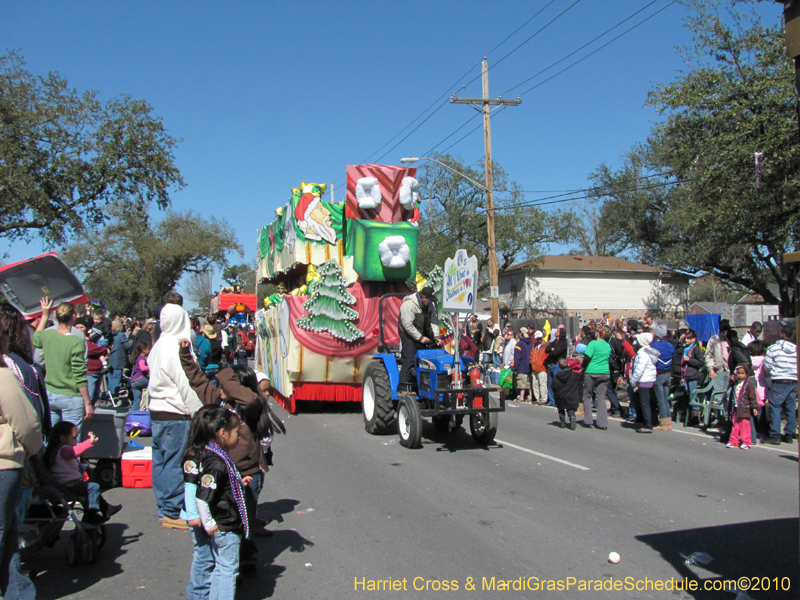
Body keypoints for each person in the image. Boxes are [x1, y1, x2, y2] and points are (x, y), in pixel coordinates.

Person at [148, 303, 203, 529]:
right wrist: (199, 413)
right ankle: (171, 511)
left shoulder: (158, 345)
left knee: (161, 461)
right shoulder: (176, 348)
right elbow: (186, 384)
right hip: (175, 412)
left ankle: (164, 506)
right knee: (174, 462)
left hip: (157, 410)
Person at [0, 349, 43, 600]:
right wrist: (31, 451)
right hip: (4, 466)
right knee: (5, 534)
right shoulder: (4, 378)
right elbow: (28, 425)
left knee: (7, 537)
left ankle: (18, 593)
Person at [195, 407, 250, 600]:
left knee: (221, 568)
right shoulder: (216, 463)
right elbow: (203, 496)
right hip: (226, 526)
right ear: (223, 434)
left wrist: (237, 482)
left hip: (224, 525)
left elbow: (221, 486)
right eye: (236, 432)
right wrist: (208, 523)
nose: (238, 436)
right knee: (229, 571)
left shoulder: (218, 456)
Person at [33, 299, 93, 433]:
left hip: (50, 393)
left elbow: (36, 339)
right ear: (73, 316)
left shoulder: (47, 335)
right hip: (70, 395)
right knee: (71, 442)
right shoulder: (75, 341)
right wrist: (87, 402)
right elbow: (79, 374)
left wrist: (44, 315)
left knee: (52, 439)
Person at [43, 421, 121, 523]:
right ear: (63, 439)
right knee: (94, 487)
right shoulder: (64, 449)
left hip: (67, 484)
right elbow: (74, 452)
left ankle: (106, 509)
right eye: (74, 438)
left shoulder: (56, 449)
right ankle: (91, 513)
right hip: (68, 486)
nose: (76, 441)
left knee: (90, 487)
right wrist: (89, 442)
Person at [763, 323, 797, 445]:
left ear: (782, 334)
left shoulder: (774, 348)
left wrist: (773, 371)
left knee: (775, 407)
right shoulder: (795, 349)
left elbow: (767, 366)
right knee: (790, 407)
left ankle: (775, 434)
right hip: (793, 380)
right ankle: (789, 434)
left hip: (779, 380)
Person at [398, 287, 438, 387]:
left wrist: (437, 337)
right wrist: (420, 338)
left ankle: (428, 385)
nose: (430, 302)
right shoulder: (409, 304)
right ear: (423, 297)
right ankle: (402, 387)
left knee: (432, 355)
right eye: (429, 299)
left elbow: (434, 321)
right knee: (410, 359)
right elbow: (407, 325)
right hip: (408, 336)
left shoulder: (430, 305)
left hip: (423, 334)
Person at [580, 328, 613, 430]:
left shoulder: (593, 344)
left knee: (587, 395)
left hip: (592, 371)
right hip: (604, 372)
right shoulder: (608, 345)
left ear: (599, 333)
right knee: (601, 397)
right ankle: (602, 422)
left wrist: (583, 367)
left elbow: (587, 357)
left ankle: (588, 420)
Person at [629, 332, 660, 434]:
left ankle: (647, 425)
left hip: (644, 381)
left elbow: (639, 370)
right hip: (651, 380)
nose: (636, 342)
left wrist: (633, 381)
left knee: (644, 404)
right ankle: (652, 421)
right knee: (649, 403)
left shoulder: (642, 354)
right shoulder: (650, 352)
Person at [726, 364, 758, 449]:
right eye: (739, 373)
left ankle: (746, 442)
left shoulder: (749, 384)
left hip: (745, 408)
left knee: (745, 426)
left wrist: (754, 407)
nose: (740, 375)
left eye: (742, 373)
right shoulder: (736, 383)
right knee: (735, 425)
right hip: (736, 408)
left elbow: (752, 397)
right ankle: (733, 441)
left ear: (746, 374)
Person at [651, 324, 675, 431]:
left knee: (660, 400)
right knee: (665, 400)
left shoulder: (654, 345)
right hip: (668, 374)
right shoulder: (670, 345)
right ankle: (668, 423)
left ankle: (662, 423)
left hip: (659, 373)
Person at [552, 358, 581, 430]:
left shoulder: (557, 376)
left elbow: (553, 386)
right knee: (570, 408)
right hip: (572, 394)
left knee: (561, 409)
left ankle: (562, 422)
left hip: (561, 395)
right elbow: (581, 379)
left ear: (559, 366)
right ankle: (572, 417)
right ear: (568, 365)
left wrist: (556, 392)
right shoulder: (574, 375)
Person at [107, 319, 132, 397]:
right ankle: (113, 394)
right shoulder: (121, 335)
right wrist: (131, 343)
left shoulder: (109, 335)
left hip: (109, 359)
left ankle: (109, 394)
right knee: (117, 378)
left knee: (110, 378)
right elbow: (127, 346)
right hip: (118, 359)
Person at [544, 325, 567, 406]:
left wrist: (552, 350)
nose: (555, 332)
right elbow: (547, 349)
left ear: (560, 333)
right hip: (550, 365)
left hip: (557, 365)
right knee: (550, 384)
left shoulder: (563, 343)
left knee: (558, 384)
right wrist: (551, 349)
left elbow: (555, 353)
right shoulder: (554, 342)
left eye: (557, 331)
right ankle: (552, 401)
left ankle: (559, 400)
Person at [680, 330, 706, 398]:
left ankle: (695, 408)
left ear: (693, 339)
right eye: (686, 338)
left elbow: (701, 362)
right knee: (687, 396)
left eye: (688, 339)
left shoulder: (696, 349)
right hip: (685, 374)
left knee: (693, 396)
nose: (686, 340)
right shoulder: (685, 348)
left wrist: (689, 360)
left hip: (692, 376)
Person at [86, 336, 110, 405]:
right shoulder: (85, 342)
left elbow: (107, 353)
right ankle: (85, 413)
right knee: (89, 396)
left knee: (95, 396)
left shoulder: (94, 343)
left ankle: (92, 412)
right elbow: (90, 350)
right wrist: (103, 350)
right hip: (90, 372)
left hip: (98, 371)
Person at [129, 340, 151, 412]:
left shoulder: (137, 358)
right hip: (140, 379)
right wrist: (151, 366)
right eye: (148, 349)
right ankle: (149, 406)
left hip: (133, 381)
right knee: (151, 385)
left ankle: (134, 414)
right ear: (143, 350)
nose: (149, 350)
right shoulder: (142, 358)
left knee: (136, 400)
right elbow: (143, 368)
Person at [512, 328, 533, 402]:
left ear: (521, 333)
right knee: (529, 382)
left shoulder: (519, 344)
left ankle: (521, 397)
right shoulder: (530, 344)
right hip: (529, 366)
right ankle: (530, 396)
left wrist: (515, 368)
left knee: (522, 382)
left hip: (521, 366)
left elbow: (517, 357)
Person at [529, 331, 548, 405]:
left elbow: (547, 355)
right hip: (534, 368)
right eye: (537, 339)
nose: (538, 340)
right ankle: (537, 398)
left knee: (542, 384)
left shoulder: (545, 345)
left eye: (539, 338)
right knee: (535, 384)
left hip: (542, 368)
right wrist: (531, 362)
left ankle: (544, 399)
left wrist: (543, 362)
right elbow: (532, 355)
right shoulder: (534, 346)